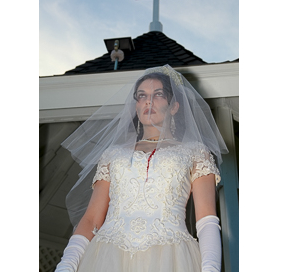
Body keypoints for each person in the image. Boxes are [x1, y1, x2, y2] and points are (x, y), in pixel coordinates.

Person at [55, 65, 228, 272]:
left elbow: (207, 220)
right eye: (142, 95)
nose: (149, 101)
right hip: (107, 258)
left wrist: (211, 269)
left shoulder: (196, 153)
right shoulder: (113, 155)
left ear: (174, 106)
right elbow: (91, 218)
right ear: (136, 106)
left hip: (171, 259)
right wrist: (67, 265)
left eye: (158, 95)